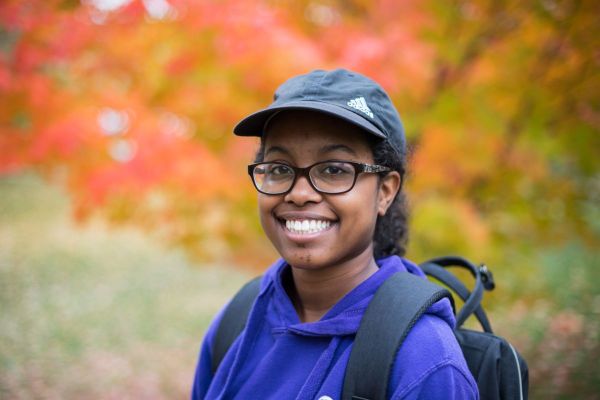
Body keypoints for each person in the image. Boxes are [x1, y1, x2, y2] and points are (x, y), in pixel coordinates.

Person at [191, 69, 479, 399]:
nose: (299, 194)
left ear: (385, 191)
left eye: (333, 170)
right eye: (280, 169)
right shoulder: (237, 323)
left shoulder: (423, 359)